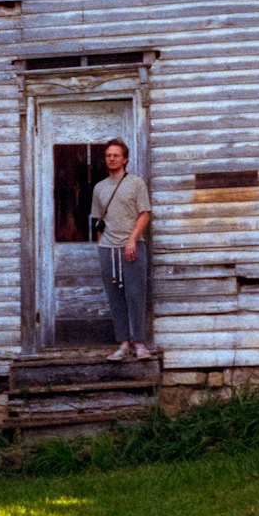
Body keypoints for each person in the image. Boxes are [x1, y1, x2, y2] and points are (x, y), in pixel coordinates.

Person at [91, 138, 153, 361]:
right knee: (115, 297)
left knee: (135, 294)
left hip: (132, 247)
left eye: (116, 155)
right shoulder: (99, 187)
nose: (112, 158)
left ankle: (139, 343)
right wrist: (101, 246)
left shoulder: (136, 183)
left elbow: (144, 213)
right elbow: (97, 219)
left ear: (125, 159)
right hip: (109, 249)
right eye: (108, 155)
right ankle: (124, 343)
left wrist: (132, 240)